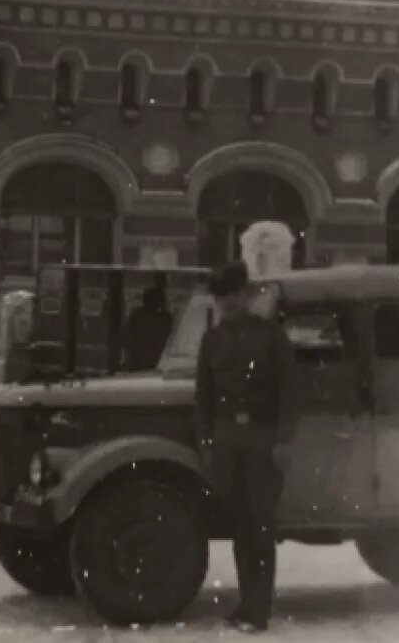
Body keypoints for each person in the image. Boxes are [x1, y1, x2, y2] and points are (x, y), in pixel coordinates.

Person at [194, 261, 296, 634]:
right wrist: (207, 444)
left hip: (261, 439)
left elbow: (289, 392)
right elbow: (203, 397)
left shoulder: (271, 337)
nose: (228, 301)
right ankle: (247, 603)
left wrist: (282, 441)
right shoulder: (212, 340)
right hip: (226, 440)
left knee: (259, 526)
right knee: (239, 525)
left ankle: (259, 610)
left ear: (246, 294)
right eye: (221, 295)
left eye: (234, 293)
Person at [121, 286, 174, 371]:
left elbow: (126, 339)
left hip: (150, 364)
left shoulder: (137, 316)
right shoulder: (165, 319)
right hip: (146, 364)